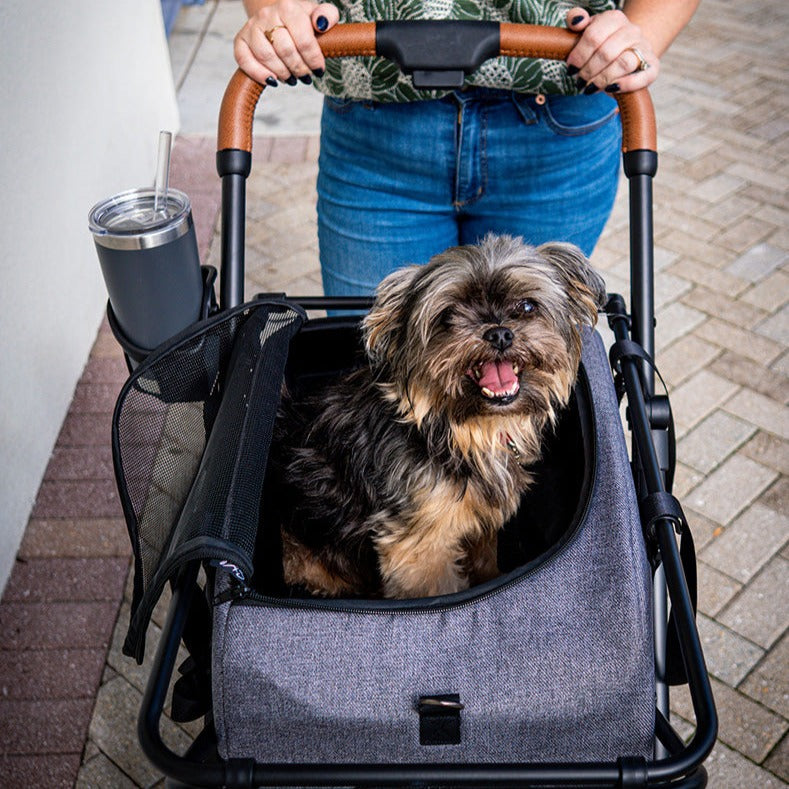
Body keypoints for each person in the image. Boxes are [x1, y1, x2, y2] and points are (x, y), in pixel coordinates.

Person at [235, 0, 699, 297]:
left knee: (529, 375)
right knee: (375, 373)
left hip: (555, 129)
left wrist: (641, 33)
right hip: (376, 123)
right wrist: (277, 10)